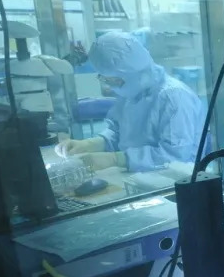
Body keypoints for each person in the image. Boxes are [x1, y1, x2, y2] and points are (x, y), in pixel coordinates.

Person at [55, 31, 203, 173]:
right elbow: (120, 133)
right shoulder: (132, 92)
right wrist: (90, 144)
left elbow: (175, 156)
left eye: (114, 81)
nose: (110, 86)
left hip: (176, 179)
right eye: (105, 79)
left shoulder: (174, 97)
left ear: (133, 75)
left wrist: (116, 159)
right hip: (137, 175)